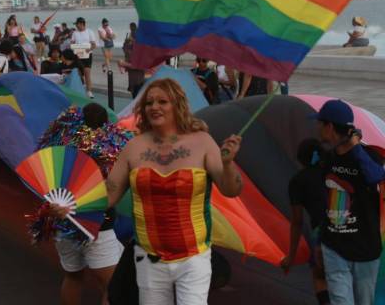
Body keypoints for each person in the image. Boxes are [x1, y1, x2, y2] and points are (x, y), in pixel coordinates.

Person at [105, 78, 243, 305]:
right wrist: (72, 204)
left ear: (176, 104)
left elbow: (231, 190)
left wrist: (228, 164)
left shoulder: (202, 142)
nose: (154, 107)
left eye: (162, 101)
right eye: (149, 103)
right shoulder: (134, 147)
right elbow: (109, 195)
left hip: (193, 258)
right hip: (149, 259)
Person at [52, 103, 125, 305]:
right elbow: (111, 187)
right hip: (96, 227)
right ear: (104, 125)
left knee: (73, 277)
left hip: (63, 225)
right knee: (113, 287)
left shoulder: (65, 146)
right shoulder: (106, 150)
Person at [314, 99, 385, 305]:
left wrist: (356, 148)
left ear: (329, 127)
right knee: (340, 301)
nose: (317, 127)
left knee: (365, 301)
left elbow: (376, 177)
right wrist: (320, 241)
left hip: (365, 248)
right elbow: (324, 201)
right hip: (334, 246)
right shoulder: (327, 158)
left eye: (320, 123)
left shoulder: (368, 155)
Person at [280, 138, 330, 305]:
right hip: (349, 227)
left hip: (323, 232)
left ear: (300, 158)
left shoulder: (298, 181)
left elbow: (297, 221)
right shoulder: (333, 171)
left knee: (320, 275)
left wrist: (291, 256)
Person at [71, 17, 97, 98]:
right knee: (79, 74)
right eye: (76, 24)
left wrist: (89, 49)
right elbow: (72, 44)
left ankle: (89, 91)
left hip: (87, 55)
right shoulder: (75, 33)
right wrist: (73, 47)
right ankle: (81, 89)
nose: (76, 26)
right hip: (78, 55)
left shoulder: (90, 32)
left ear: (82, 24)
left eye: (77, 24)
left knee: (87, 73)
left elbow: (94, 45)